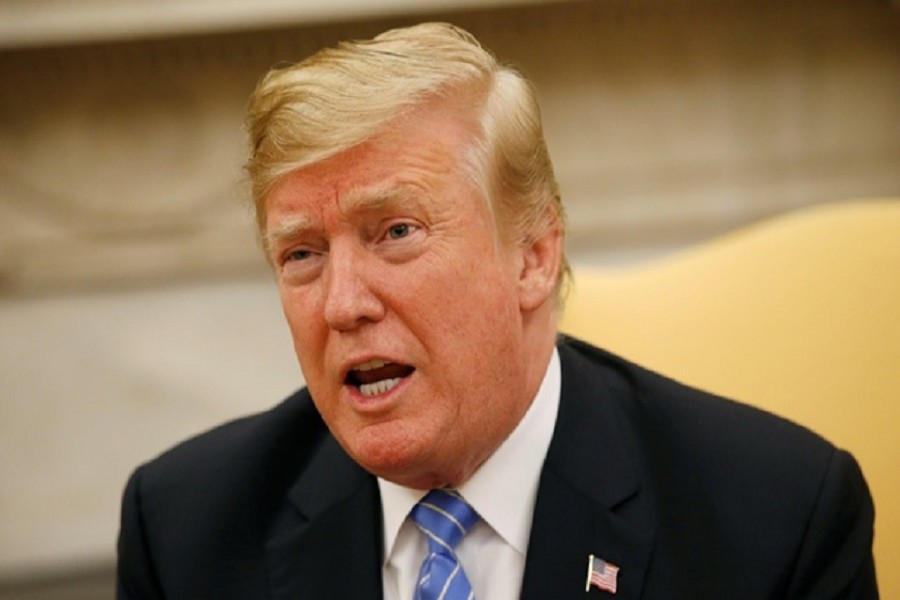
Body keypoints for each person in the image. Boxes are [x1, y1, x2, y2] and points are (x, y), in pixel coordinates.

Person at [117, 22, 877, 599]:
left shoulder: (778, 522)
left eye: (397, 233)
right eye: (301, 254)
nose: (343, 304)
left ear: (533, 257)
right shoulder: (185, 530)